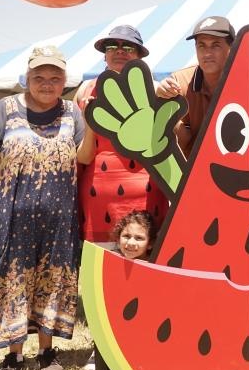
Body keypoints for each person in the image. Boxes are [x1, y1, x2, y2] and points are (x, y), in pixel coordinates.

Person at [0, 45, 90, 370]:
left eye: (54, 77)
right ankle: (14, 356)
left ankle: (47, 353)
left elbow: (84, 156)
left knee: (52, 281)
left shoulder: (73, 113)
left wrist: (94, 120)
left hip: (58, 221)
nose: (47, 83)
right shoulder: (6, 109)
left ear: (64, 81)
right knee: (13, 282)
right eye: (39, 77)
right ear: (27, 78)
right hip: (10, 220)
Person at [74, 25, 168, 240]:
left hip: (146, 195)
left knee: (144, 256)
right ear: (104, 54)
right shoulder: (85, 90)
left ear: (139, 56)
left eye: (128, 47)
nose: (119, 51)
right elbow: (83, 157)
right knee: (98, 258)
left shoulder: (157, 90)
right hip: (97, 196)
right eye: (111, 46)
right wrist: (90, 123)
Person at [91, 210, 156, 370]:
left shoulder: (154, 268)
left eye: (139, 238)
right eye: (126, 236)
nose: (131, 243)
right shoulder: (110, 264)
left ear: (150, 244)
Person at [155, 16, 235, 155]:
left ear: (232, 48)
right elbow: (182, 142)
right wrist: (161, 103)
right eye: (201, 45)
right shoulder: (179, 83)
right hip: (194, 166)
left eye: (215, 45)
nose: (207, 53)